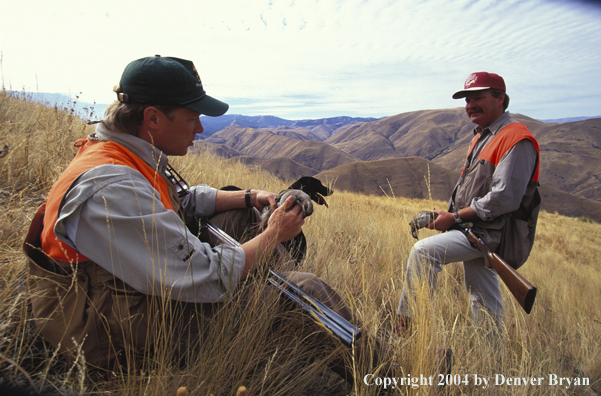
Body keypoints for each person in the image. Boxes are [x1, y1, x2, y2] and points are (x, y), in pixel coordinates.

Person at [23, 55, 378, 381]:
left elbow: (182, 201)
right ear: (152, 117)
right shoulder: (112, 187)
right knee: (304, 291)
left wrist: (253, 197)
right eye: (193, 118)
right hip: (105, 331)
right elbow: (202, 273)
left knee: (244, 216)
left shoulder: (125, 152)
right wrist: (272, 236)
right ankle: (383, 377)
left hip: (122, 291)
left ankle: (274, 300)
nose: (200, 129)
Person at [397, 72, 541, 333]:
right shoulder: (483, 135)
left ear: (500, 99)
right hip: (475, 230)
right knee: (483, 298)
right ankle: (492, 363)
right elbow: (473, 187)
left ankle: (407, 327)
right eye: (467, 100)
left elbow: (505, 198)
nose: (470, 105)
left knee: (422, 252)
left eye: (478, 97)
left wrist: (455, 218)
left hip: (492, 234)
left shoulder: (517, 139)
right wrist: (452, 216)